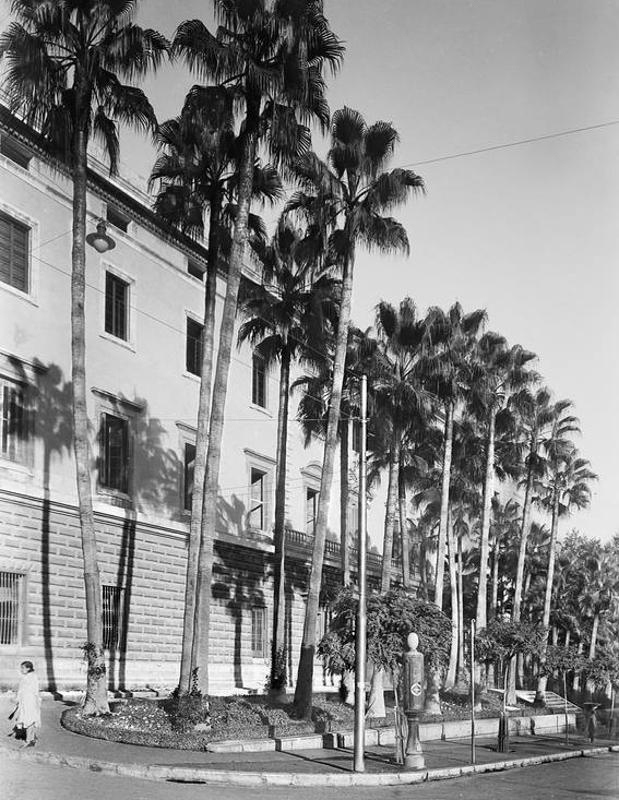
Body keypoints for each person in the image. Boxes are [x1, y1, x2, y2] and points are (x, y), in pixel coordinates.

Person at [10, 661, 41, 748]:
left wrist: (35, 702)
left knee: (29, 720)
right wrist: (18, 699)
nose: (21, 669)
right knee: (25, 719)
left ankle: (29, 740)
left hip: (30, 701)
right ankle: (31, 738)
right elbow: (21, 690)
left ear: (28, 668)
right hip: (25, 701)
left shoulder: (32, 677)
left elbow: (34, 691)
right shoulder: (25, 677)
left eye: (23, 668)